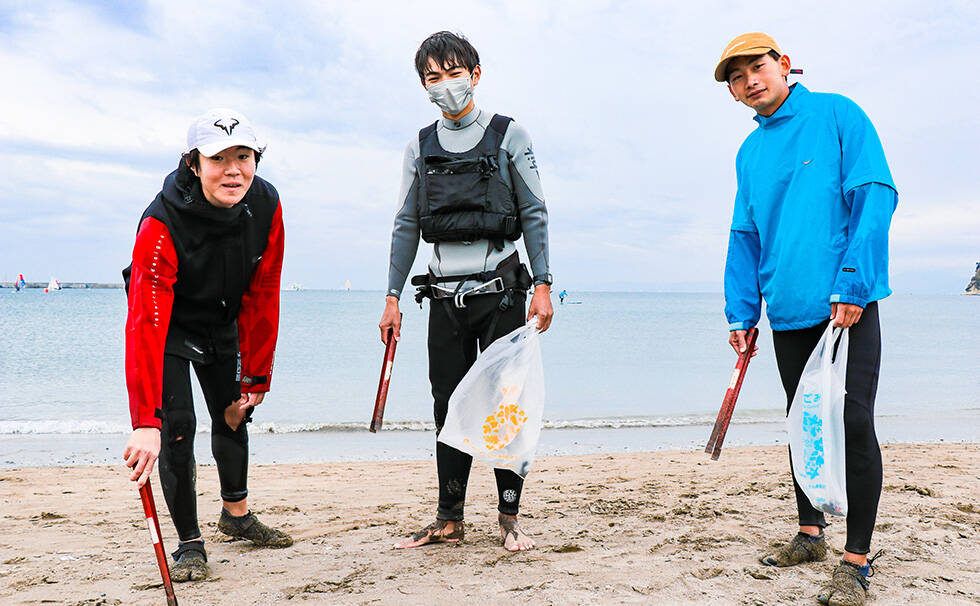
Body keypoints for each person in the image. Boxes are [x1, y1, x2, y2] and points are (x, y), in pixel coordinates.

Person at [717, 33, 896, 606]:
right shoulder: (749, 152)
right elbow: (744, 235)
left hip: (846, 308)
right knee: (805, 427)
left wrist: (854, 282)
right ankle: (811, 533)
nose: (750, 80)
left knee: (852, 421)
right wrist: (743, 311)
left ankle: (857, 561)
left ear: (784, 65)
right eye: (737, 76)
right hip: (788, 313)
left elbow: (875, 193)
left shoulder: (837, 114)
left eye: (758, 67)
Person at [379, 31, 554, 552]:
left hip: (500, 292)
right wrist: (391, 296)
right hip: (443, 298)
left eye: (454, 73)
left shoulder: (509, 135)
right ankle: (449, 516)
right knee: (447, 404)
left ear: (475, 75)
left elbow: (534, 213)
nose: (445, 85)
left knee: (505, 404)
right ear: (424, 86)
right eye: (433, 78)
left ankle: (508, 517)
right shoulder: (420, 145)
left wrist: (542, 284)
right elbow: (406, 223)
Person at [121, 108, 291, 582]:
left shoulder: (267, 204)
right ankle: (190, 543)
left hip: (223, 319)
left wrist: (257, 374)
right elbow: (145, 324)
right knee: (177, 427)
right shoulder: (161, 221)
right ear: (194, 164)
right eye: (218, 159)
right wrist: (144, 421)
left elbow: (264, 289)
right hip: (168, 324)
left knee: (234, 413)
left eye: (245, 156)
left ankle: (235, 516)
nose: (233, 169)